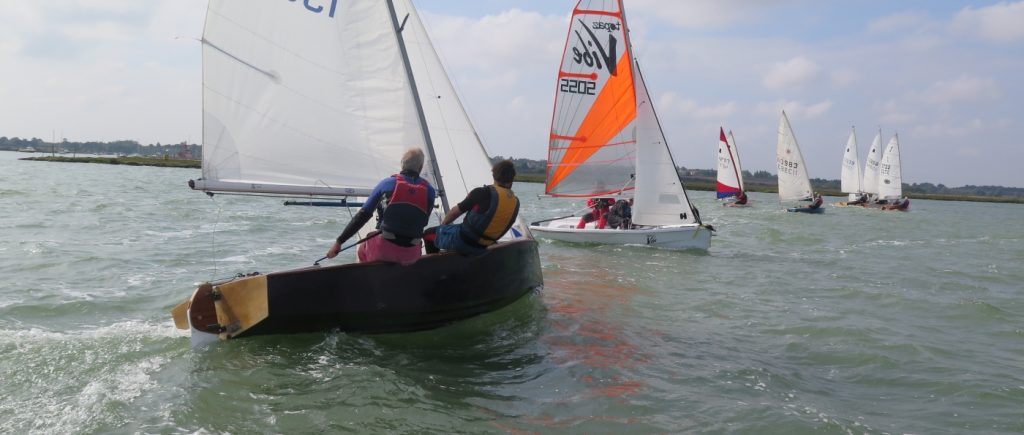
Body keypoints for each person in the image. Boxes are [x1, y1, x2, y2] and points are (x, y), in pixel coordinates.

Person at [326, 148, 436, 265]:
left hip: (383, 250)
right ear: (420, 167)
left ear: (402, 164)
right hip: (412, 255)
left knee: (363, 248)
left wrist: (339, 242)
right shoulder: (430, 191)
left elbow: (363, 215)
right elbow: (422, 220)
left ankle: (369, 275)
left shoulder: (387, 183)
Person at [423, 160, 520, 255]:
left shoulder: (482, 192)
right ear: (512, 179)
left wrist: (442, 227)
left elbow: (454, 212)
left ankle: (434, 264)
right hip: (485, 245)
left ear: (493, 175)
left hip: (464, 241)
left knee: (427, 234)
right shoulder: (516, 202)